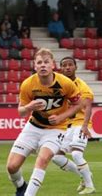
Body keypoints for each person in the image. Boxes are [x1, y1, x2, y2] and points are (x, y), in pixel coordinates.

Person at [6, 48, 83, 196]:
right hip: (33, 126)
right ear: (34, 66)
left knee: (43, 159)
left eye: (46, 62)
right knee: (12, 167)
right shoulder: (28, 84)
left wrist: (61, 117)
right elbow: (21, 112)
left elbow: (78, 104)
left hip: (56, 129)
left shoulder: (65, 83)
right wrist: (29, 107)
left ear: (52, 65)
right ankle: (21, 187)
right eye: (39, 62)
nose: (43, 65)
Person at [51, 57, 96, 194]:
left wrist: (85, 126)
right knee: (56, 157)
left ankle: (90, 186)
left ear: (75, 67)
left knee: (76, 154)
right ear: (61, 68)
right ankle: (84, 174)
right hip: (67, 126)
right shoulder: (59, 86)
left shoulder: (81, 86)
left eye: (70, 65)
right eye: (64, 65)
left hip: (80, 124)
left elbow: (88, 106)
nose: (67, 67)